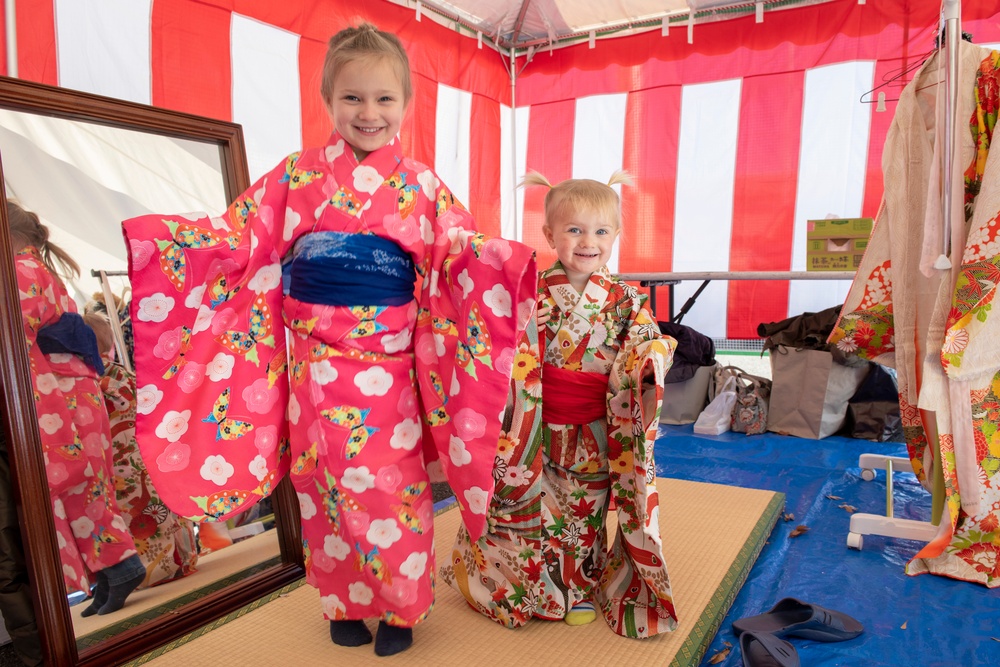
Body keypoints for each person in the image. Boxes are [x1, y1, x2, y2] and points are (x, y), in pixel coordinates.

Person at [122, 23, 536, 657]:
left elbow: (456, 255)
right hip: (310, 367)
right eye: (352, 98)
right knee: (320, 484)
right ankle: (342, 599)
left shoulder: (423, 186)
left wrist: (501, 261)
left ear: (406, 104)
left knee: (389, 489)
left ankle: (400, 609)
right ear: (327, 99)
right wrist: (167, 242)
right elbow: (241, 241)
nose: (368, 113)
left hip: (388, 371)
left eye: (384, 99)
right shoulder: (295, 175)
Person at [443, 171, 680, 638]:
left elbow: (650, 343)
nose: (587, 242)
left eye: (600, 231)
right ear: (550, 234)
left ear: (616, 236)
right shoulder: (526, 289)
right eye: (573, 230)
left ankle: (571, 593)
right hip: (528, 425)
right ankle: (515, 588)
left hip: (591, 429)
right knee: (520, 509)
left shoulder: (626, 301)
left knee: (581, 518)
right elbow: (493, 330)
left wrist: (651, 359)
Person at [8, 201, 146, 617]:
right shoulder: (35, 268)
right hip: (72, 386)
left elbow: (16, 331)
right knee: (87, 483)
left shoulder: (19, 269)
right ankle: (109, 572)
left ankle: (119, 567)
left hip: (60, 389)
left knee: (74, 482)